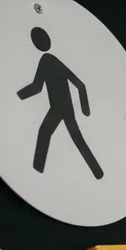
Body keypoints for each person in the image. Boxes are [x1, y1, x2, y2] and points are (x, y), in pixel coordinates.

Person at [17, 27, 103, 179]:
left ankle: (37, 172)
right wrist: (84, 109)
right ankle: (97, 172)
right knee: (73, 138)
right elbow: (80, 85)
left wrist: (20, 95)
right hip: (64, 108)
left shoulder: (46, 60)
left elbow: (37, 87)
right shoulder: (55, 61)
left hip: (58, 108)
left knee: (46, 133)